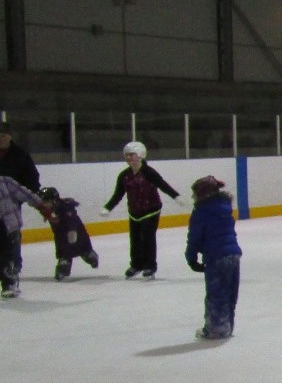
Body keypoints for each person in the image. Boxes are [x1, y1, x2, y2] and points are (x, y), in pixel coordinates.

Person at [101, 141, 186, 279]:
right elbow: (118, 194)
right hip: (134, 212)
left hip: (151, 210)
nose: (128, 158)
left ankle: (150, 266)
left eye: (131, 154)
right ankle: (136, 265)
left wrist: (176, 196)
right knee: (134, 239)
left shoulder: (149, 172)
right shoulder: (124, 175)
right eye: (126, 155)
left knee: (147, 238)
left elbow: (163, 185)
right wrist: (108, 207)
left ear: (140, 155)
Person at [184, 176, 242, 340]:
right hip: (234, 254)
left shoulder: (201, 212)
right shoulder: (225, 207)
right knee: (230, 291)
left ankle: (216, 328)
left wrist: (191, 258)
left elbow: (194, 237)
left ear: (203, 194)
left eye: (194, 194)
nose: (193, 197)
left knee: (216, 292)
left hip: (216, 257)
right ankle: (227, 326)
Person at [0, 176, 50, 298]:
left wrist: (42, 207)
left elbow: (26, 194)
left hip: (10, 227)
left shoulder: (5, 182)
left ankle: (10, 283)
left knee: (12, 257)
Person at [39, 187, 99, 281]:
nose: (44, 204)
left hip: (77, 232)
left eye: (46, 201)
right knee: (64, 253)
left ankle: (90, 255)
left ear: (54, 200)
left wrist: (72, 231)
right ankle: (64, 265)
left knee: (83, 248)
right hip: (60, 235)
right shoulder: (47, 209)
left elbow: (72, 220)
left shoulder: (65, 207)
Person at [0, 123, 42, 193]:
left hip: (14, 197)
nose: (0, 139)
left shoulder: (21, 155)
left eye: (3, 136)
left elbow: (32, 177)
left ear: (10, 137)